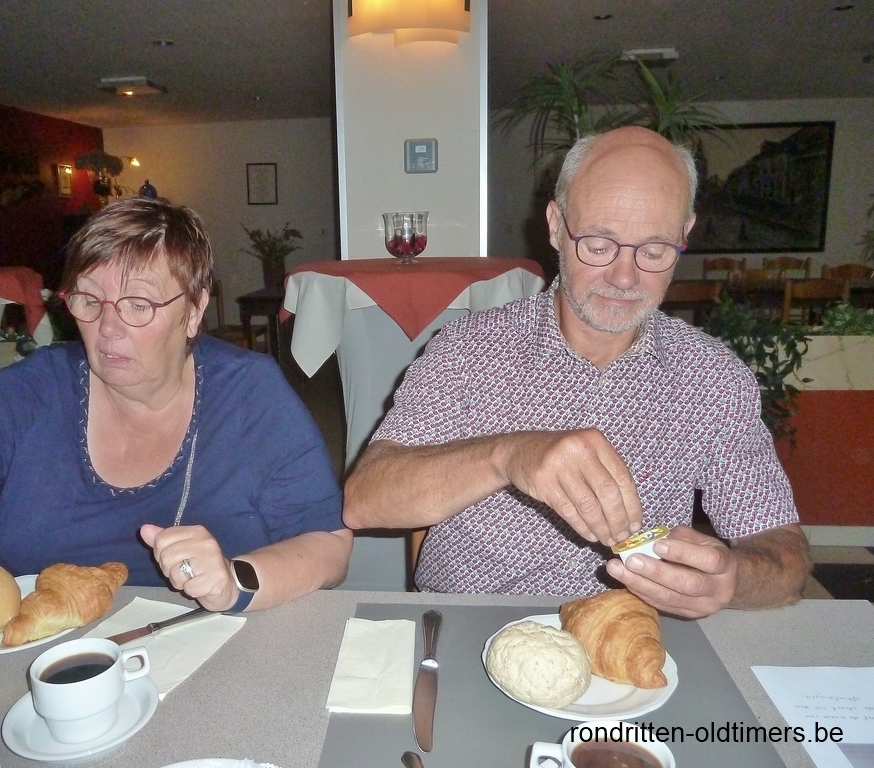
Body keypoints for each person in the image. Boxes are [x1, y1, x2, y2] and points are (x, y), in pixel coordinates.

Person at [0, 197, 351, 757]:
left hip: (216, 679)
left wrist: (235, 582)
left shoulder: (249, 394)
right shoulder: (34, 391)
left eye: (139, 305)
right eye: (89, 300)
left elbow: (328, 545)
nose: (108, 328)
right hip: (26, 687)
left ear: (193, 310)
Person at [344, 126, 809, 619]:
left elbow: (785, 555)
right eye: (599, 244)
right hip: (470, 623)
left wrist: (733, 578)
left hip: (628, 633)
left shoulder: (712, 377)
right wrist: (507, 455)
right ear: (555, 225)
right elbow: (365, 498)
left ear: (684, 235)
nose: (625, 277)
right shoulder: (468, 350)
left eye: (654, 250)